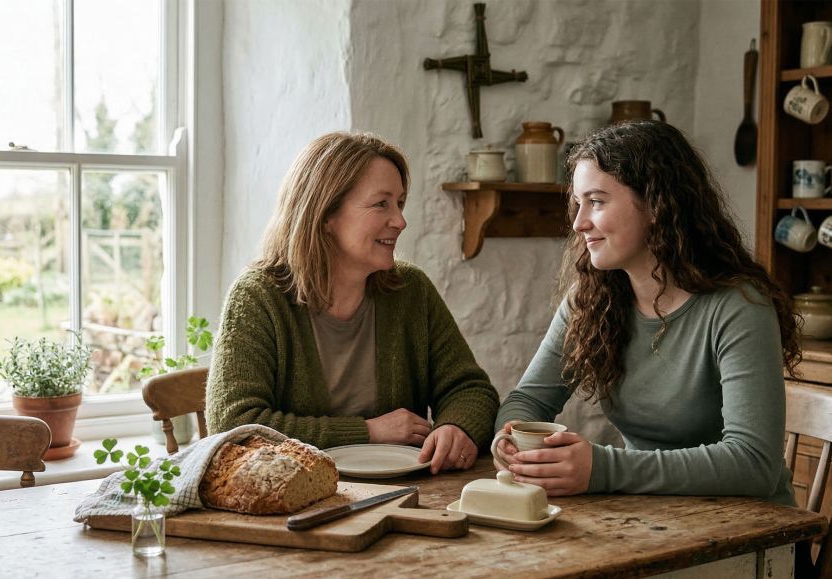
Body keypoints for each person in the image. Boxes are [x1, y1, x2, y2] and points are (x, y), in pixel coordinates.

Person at [495, 120, 800, 506]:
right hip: (649, 521)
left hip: (754, 538)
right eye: (578, 202)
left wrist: (603, 469)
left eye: (598, 201)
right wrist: (508, 440)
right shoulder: (590, 299)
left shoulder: (739, 307)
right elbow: (526, 401)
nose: (578, 222)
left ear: (656, 205)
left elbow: (754, 464)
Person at [207, 131, 499, 473]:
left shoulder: (411, 290)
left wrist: (457, 426)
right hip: (294, 506)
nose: (400, 221)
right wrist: (368, 432)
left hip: (405, 495)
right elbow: (233, 426)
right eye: (381, 204)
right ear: (326, 214)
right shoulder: (258, 296)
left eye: (400, 203)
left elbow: (470, 389)